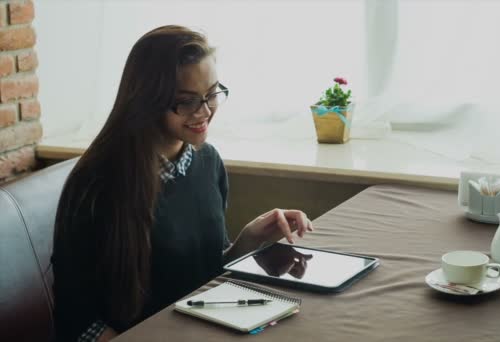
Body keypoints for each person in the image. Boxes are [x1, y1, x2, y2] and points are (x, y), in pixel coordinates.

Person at [51, 25, 314, 342]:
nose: (205, 112)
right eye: (187, 101)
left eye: (212, 94)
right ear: (147, 100)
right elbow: (75, 318)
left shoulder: (207, 162)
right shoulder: (95, 185)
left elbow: (203, 273)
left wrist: (247, 241)